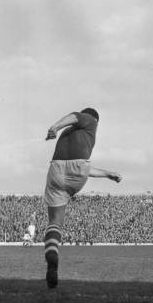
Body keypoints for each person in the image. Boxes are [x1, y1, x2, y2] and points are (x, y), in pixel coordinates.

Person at [43, 108, 121, 288]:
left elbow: (77, 164)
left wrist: (107, 174)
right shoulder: (90, 120)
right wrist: (54, 127)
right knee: (80, 167)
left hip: (56, 170)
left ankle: (52, 255)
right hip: (78, 173)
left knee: (55, 222)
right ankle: (53, 256)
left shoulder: (67, 134)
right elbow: (75, 117)